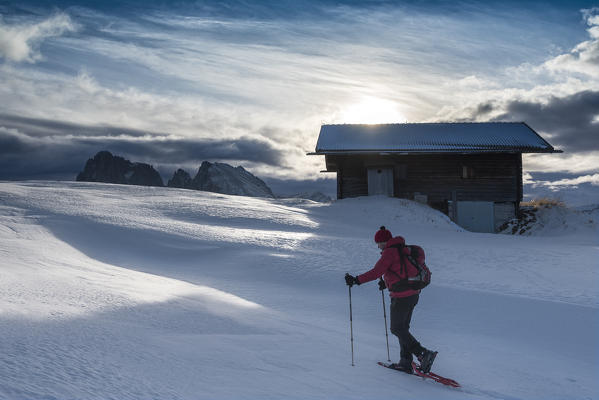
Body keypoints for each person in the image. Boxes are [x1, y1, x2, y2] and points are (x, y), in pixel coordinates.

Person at [345, 226, 437, 374]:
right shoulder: (402, 249)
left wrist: (356, 280)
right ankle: (405, 362)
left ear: (384, 241)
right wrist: (387, 282)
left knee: (396, 328)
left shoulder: (389, 252)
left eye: (378, 243)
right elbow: (400, 270)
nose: (378, 246)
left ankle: (423, 353)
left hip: (401, 297)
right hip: (413, 294)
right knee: (403, 329)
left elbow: (376, 272)